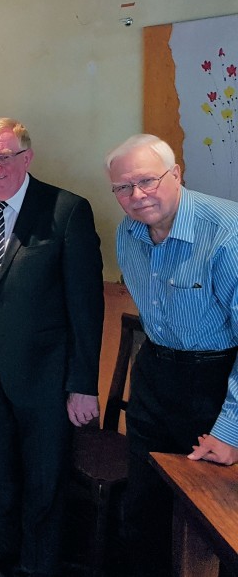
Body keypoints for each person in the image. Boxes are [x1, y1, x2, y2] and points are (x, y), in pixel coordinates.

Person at [0, 118, 103, 576]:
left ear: (26, 158)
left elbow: (86, 308)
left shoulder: (67, 210)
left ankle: (38, 563)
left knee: (44, 478)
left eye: (3, 156)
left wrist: (82, 384)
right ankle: (5, 547)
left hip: (46, 378)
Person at [105, 133, 238, 577]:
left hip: (217, 383)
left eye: (147, 180)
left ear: (176, 174)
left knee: (213, 521)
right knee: (145, 509)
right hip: (155, 372)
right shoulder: (129, 231)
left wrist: (231, 429)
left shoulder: (227, 234)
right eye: (123, 187)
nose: (136, 196)